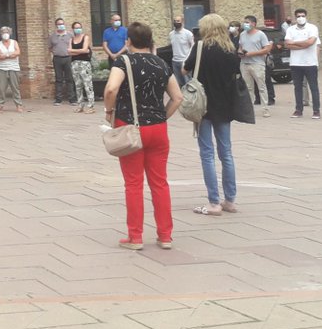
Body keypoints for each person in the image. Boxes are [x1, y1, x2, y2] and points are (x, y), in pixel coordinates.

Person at [103, 21, 182, 250]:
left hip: (130, 128)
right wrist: (161, 118)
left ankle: (135, 237)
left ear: (128, 41)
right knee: (160, 183)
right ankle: (165, 236)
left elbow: (110, 89)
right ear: (150, 41)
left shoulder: (123, 61)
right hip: (158, 129)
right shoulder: (161, 64)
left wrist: (109, 111)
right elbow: (177, 98)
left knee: (134, 183)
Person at [184, 14, 244, 216]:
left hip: (204, 106)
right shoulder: (230, 50)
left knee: (207, 153)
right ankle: (230, 200)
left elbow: (185, 68)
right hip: (225, 106)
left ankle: (213, 202)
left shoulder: (200, 47)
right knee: (226, 153)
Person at [285, 7, 321, 119]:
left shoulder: (312, 28)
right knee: (297, 87)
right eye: (298, 16)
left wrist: (295, 43)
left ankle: (316, 110)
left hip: (310, 63)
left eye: (303, 16)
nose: (301, 18)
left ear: (306, 16)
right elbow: (287, 45)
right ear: (295, 18)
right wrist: (302, 44)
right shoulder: (290, 29)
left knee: (313, 87)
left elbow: (310, 43)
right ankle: (298, 110)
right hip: (296, 63)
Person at [237, 15, 272, 117]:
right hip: (244, 63)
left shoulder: (261, 34)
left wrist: (252, 54)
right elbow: (240, 47)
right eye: (245, 22)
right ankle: (249, 108)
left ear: (253, 24)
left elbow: (266, 49)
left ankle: (265, 108)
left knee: (261, 86)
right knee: (248, 87)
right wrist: (240, 52)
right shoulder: (242, 34)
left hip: (257, 63)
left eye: (247, 22)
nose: (245, 24)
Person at [0, 26, 23, 112]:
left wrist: (5, 55)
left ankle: (19, 105)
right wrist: (10, 55)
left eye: (6, 32)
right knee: (1, 88)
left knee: (15, 87)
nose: (5, 34)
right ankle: (0, 105)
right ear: (1, 34)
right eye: (3, 32)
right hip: (2, 68)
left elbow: (18, 52)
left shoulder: (14, 42)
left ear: (10, 33)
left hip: (14, 68)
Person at [69, 21, 95, 113]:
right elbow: (69, 52)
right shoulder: (71, 40)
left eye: (79, 27)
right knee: (78, 85)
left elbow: (85, 50)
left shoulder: (85, 37)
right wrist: (81, 51)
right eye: (76, 27)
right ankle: (80, 105)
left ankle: (91, 106)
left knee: (88, 84)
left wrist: (74, 50)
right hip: (74, 63)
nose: (78, 29)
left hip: (84, 63)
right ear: (73, 29)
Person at [49, 18, 74, 106]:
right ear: (56, 26)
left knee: (69, 79)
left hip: (68, 58)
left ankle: (72, 99)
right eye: (59, 24)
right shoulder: (52, 36)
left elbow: (74, 46)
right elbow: (50, 47)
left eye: (62, 23)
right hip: (57, 58)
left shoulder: (70, 35)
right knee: (58, 79)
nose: (61, 25)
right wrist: (56, 52)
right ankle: (58, 99)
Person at [168, 17, 195, 85]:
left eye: (178, 21)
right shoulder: (171, 34)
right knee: (178, 83)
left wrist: (188, 58)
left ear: (182, 22)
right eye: (175, 21)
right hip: (175, 62)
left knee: (188, 83)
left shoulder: (188, 34)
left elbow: (192, 46)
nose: (176, 23)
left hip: (184, 61)